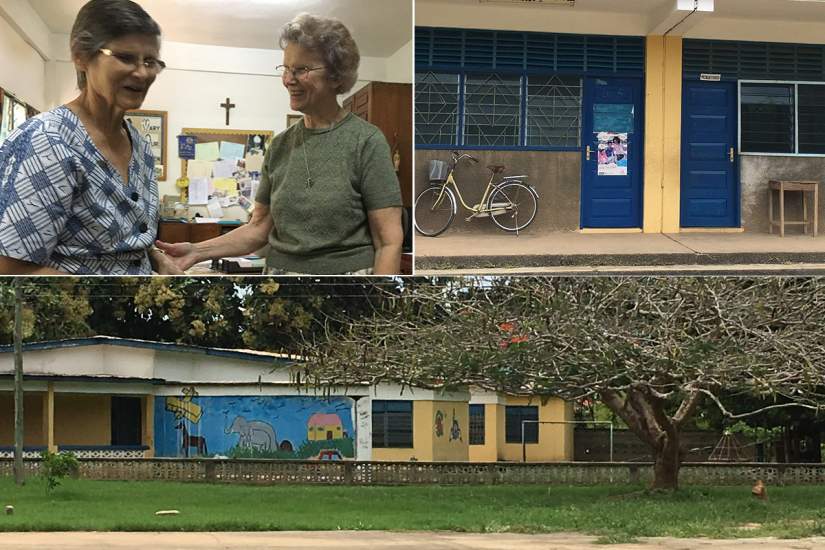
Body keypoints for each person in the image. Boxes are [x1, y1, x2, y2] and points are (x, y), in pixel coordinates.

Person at [156, 13, 404, 275]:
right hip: (279, 285)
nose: (288, 79)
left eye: (301, 70)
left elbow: (389, 241)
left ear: (336, 76)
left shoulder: (366, 141)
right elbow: (257, 229)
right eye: (286, 68)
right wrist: (197, 251)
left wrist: (377, 297)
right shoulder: (279, 146)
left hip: (346, 287)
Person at [0, 0, 179, 275]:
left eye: (150, 61)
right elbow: (10, 266)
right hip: (70, 316)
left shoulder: (140, 146)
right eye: (126, 57)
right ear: (81, 56)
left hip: (136, 314)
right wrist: (95, 303)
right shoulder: (47, 141)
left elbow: (120, 238)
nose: (142, 72)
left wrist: (155, 257)